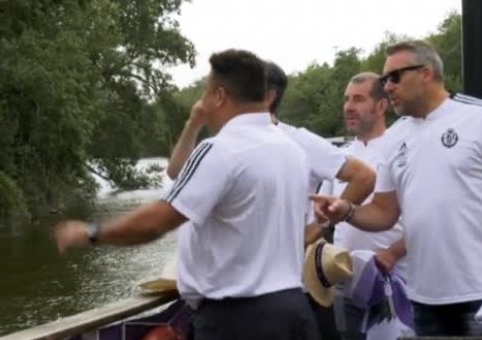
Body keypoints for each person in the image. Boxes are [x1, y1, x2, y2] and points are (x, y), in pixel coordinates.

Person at [54, 49, 320, 340]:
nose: (203, 102)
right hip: (294, 312)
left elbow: (157, 221)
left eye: (206, 93)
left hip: (238, 322)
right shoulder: (292, 151)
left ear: (220, 96)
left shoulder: (221, 149)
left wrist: (92, 232)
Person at [312, 40, 482, 337]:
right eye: (383, 80)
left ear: (426, 73)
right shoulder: (396, 137)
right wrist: (347, 211)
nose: (387, 87)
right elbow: (384, 212)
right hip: (422, 299)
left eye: (394, 77)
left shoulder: (481, 118)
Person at [166, 61, 375, 340]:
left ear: (268, 96)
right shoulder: (228, 143)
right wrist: (194, 124)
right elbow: (177, 174)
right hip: (235, 300)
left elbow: (363, 175)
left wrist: (316, 229)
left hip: (286, 294)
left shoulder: (297, 140)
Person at [316, 72, 408, 340]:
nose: (348, 106)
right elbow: (322, 222)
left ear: (381, 106)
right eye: (346, 99)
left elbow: (427, 217)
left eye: (358, 99)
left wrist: (393, 253)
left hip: (397, 280)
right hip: (347, 283)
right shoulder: (337, 158)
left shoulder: (402, 152)